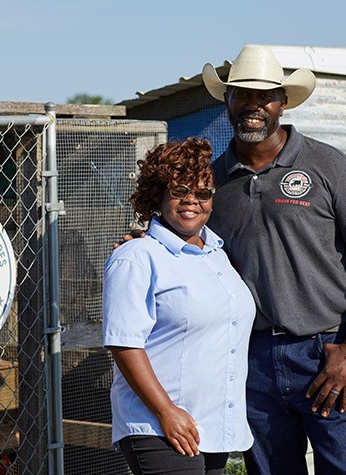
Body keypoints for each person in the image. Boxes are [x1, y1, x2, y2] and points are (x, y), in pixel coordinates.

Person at [199, 45, 346, 474]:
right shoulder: (212, 183)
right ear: (227, 101)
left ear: (282, 103)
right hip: (251, 361)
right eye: (241, 95)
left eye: (263, 96)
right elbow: (185, 244)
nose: (252, 106)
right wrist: (142, 240)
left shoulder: (328, 165)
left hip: (326, 353)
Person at [103, 138, 256, 475]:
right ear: (158, 194)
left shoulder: (218, 255)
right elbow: (124, 343)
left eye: (202, 193)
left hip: (210, 427)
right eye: (179, 190)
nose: (191, 200)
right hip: (160, 427)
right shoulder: (137, 257)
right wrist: (166, 411)